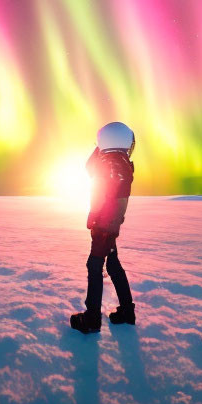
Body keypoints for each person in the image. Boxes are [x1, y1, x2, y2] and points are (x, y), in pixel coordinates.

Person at [70, 122, 136, 333]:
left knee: (94, 266)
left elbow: (93, 177)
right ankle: (127, 312)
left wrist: (93, 218)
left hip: (104, 226)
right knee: (113, 265)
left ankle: (91, 320)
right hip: (112, 223)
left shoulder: (109, 166)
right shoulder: (122, 164)